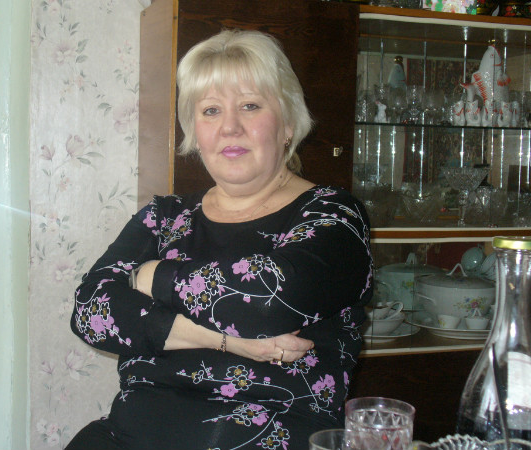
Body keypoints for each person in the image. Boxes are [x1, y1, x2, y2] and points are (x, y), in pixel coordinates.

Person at [66, 29, 373, 450]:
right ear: (195, 132)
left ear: (287, 123)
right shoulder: (165, 217)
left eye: (250, 105)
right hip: (128, 437)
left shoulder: (333, 214)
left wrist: (151, 276)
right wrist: (228, 341)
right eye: (211, 110)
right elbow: (90, 311)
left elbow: (270, 298)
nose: (230, 126)